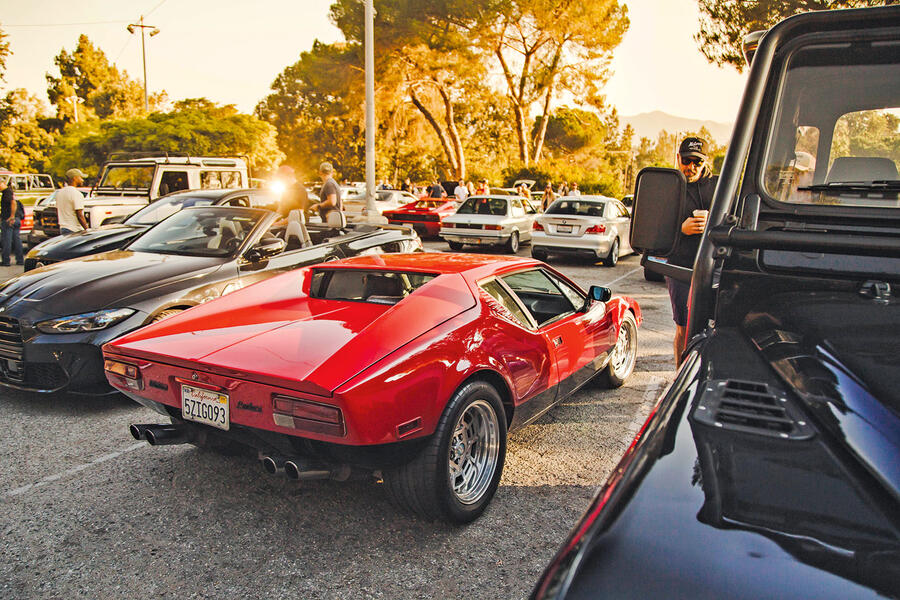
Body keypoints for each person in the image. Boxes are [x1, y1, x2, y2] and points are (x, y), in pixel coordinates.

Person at [666, 137, 718, 367]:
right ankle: (679, 375)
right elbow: (657, 228)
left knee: (716, 327)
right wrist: (681, 229)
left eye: (697, 162)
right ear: (678, 159)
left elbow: (737, 220)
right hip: (679, 266)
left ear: (705, 162)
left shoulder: (719, 187)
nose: (691, 167)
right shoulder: (670, 188)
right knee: (683, 328)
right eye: (687, 160)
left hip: (714, 266)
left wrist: (713, 221)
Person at [57, 168, 89, 235]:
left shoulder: (60, 193)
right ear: (75, 178)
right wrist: (87, 230)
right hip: (74, 230)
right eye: (80, 177)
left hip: (63, 228)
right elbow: (79, 215)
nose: (82, 180)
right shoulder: (76, 194)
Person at [0, 177, 23, 266]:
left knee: (6, 240)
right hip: (16, 219)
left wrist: (11, 217)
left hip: (9, 220)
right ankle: (20, 260)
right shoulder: (10, 191)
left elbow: (13, 203)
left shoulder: (7, 192)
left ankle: (6, 261)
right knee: (17, 240)